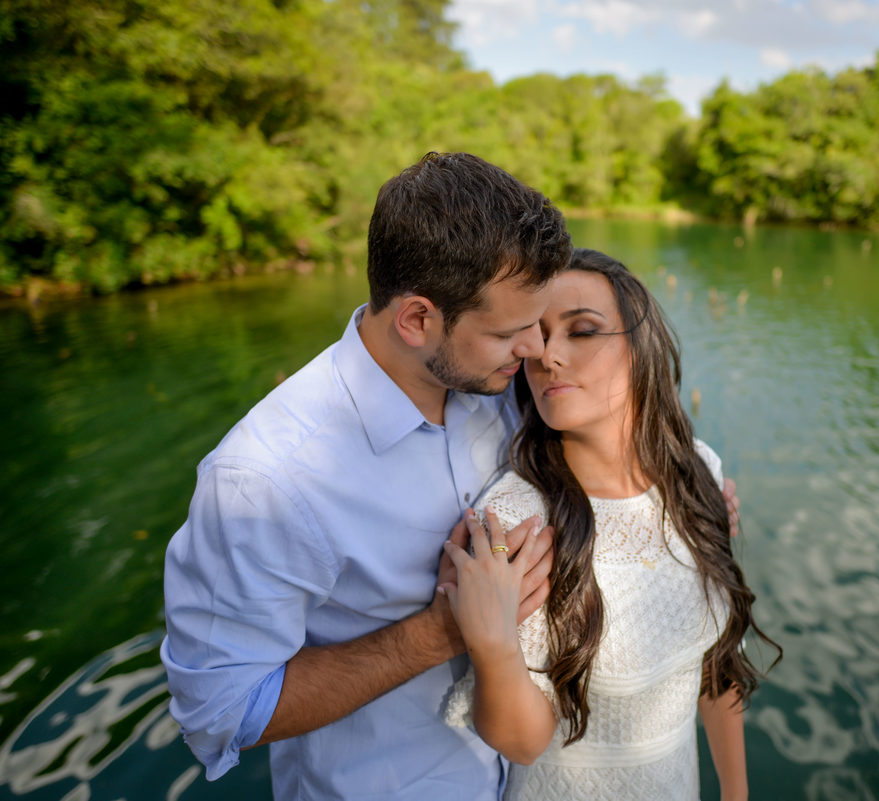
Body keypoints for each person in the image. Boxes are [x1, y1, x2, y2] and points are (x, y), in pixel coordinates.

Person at [159, 152, 572, 799]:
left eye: (536, 324)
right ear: (416, 319)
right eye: (510, 332)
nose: (535, 350)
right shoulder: (265, 479)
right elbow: (220, 711)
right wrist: (437, 633)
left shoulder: (497, 386)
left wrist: (682, 484)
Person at [439, 249, 779, 801]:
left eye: (582, 331)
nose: (547, 355)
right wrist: (492, 644)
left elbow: (716, 668)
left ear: (638, 348)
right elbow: (523, 744)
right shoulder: (517, 518)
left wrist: (736, 795)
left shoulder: (699, 473)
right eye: (537, 336)